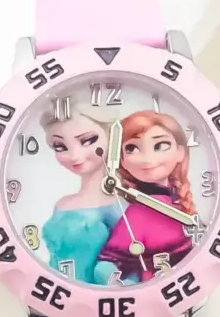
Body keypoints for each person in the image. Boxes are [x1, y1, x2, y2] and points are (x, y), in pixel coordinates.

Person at [94, 110, 195, 285]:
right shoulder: (137, 214)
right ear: (122, 161)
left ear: (180, 152)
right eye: (132, 148)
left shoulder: (178, 199)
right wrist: (121, 286)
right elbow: (107, 262)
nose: (147, 159)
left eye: (160, 146)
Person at [41, 100, 122, 284]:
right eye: (60, 146)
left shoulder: (118, 204)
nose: (74, 156)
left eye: (88, 141)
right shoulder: (62, 204)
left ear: (112, 136)